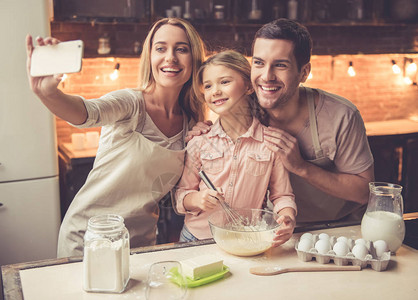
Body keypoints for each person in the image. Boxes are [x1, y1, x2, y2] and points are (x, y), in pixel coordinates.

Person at [26, 18, 206, 257]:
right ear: (149, 56)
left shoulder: (191, 122)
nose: (170, 57)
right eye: (160, 48)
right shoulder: (130, 103)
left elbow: (181, 192)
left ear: (194, 58)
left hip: (140, 242)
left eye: (181, 49)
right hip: (89, 238)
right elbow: (87, 112)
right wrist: (49, 94)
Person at [189, 19, 374, 225]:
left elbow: (364, 192)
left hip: (342, 225)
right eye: (259, 63)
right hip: (276, 228)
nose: (267, 76)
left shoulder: (341, 116)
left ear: (303, 73)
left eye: (280, 65)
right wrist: (202, 130)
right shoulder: (243, 105)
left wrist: (302, 167)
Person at [174, 50, 297, 246]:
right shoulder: (199, 142)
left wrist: (287, 217)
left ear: (248, 86)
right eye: (208, 86)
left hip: (245, 239)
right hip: (196, 238)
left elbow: (282, 195)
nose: (215, 91)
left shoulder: (271, 143)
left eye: (224, 82)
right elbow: (181, 196)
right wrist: (198, 199)